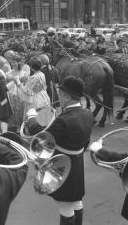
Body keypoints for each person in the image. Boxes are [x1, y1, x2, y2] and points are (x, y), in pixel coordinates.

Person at [25, 76, 94, 225]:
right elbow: (86, 140)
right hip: (77, 162)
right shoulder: (88, 113)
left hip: (63, 164)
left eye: (61, 94)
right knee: (76, 201)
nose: (59, 97)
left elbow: (41, 136)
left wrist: (31, 117)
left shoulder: (64, 119)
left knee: (65, 205)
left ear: (68, 96)